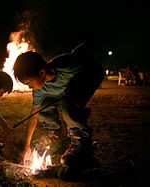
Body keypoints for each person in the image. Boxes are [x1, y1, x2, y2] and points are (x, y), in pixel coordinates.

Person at [13, 43, 104, 176]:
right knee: (43, 104)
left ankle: (81, 142)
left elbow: (89, 62)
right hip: (68, 90)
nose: (29, 88)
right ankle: (55, 136)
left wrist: (79, 81)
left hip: (90, 75)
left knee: (69, 100)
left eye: (29, 83)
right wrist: (27, 145)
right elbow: (33, 116)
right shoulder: (40, 91)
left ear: (42, 73)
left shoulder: (65, 65)